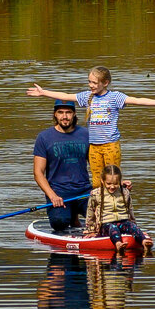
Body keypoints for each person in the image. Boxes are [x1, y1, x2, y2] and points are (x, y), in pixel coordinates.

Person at [27, 65, 155, 184]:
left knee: (112, 178)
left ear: (105, 83)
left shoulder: (114, 97)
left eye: (94, 82)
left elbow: (137, 100)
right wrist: (43, 92)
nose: (91, 85)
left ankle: (116, 208)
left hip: (110, 144)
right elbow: (66, 96)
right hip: (94, 146)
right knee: (97, 181)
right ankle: (99, 213)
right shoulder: (87, 97)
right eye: (89, 82)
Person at [33, 99, 91, 232]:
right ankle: (71, 216)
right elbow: (38, 173)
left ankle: (75, 213)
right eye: (60, 112)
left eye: (68, 112)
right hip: (59, 192)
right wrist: (52, 196)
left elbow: (99, 165)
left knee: (104, 219)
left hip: (84, 192)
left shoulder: (86, 134)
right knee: (59, 223)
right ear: (55, 114)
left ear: (74, 114)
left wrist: (116, 181)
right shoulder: (44, 137)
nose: (64, 116)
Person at [84, 164, 153, 255]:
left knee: (131, 226)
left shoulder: (125, 192)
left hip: (123, 221)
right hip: (106, 224)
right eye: (108, 184)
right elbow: (90, 212)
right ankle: (118, 244)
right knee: (113, 227)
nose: (112, 187)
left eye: (115, 184)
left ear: (120, 181)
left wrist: (135, 228)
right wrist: (91, 230)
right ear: (102, 181)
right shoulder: (96, 194)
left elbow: (130, 210)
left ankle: (144, 242)